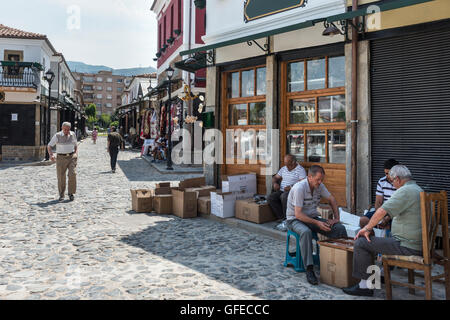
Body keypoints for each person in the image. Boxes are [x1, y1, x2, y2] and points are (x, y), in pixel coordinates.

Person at [343, 165, 423, 297]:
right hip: (413, 243)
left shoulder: (405, 191)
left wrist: (366, 228)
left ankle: (365, 287)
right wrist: (383, 222)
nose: (393, 185)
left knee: (361, 242)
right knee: (372, 240)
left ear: (397, 179)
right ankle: (376, 277)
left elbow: (381, 210)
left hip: (406, 245)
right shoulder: (418, 189)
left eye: (392, 182)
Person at [286, 165, 347, 285]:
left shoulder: (319, 186)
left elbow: (332, 200)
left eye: (321, 180)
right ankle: (309, 269)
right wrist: (318, 223)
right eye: (318, 179)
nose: (320, 182)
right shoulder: (299, 188)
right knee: (306, 232)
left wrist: (336, 218)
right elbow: (298, 215)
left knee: (339, 228)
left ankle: (343, 263)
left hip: (312, 218)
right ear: (309, 177)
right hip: (294, 220)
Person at [268, 154, 307, 231]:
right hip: (282, 190)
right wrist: (275, 183)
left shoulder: (301, 170)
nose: (287, 167)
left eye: (288, 165)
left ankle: (288, 219)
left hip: (294, 192)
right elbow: (275, 177)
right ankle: (281, 217)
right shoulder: (284, 168)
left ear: (293, 162)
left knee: (284, 196)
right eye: (285, 164)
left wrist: (291, 187)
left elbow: (303, 183)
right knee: (271, 197)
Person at [360, 159, 399, 230]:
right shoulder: (381, 181)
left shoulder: (401, 183)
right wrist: (380, 218)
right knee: (363, 220)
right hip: (383, 211)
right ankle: (371, 239)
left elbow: (399, 206)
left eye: (390, 174)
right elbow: (378, 203)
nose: (387, 176)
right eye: (386, 173)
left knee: (390, 226)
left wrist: (387, 219)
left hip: (396, 213)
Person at [47, 122, 78, 201]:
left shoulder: (73, 134)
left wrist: (76, 153)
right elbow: (49, 146)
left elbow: (75, 144)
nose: (66, 131)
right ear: (62, 128)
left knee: (73, 174)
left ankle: (71, 193)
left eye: (68, 129)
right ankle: (61, 194)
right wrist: (51, 155)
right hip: (61, 158)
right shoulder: (57, 135)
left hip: (71, 157)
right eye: (65, 129)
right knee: (61, 176)